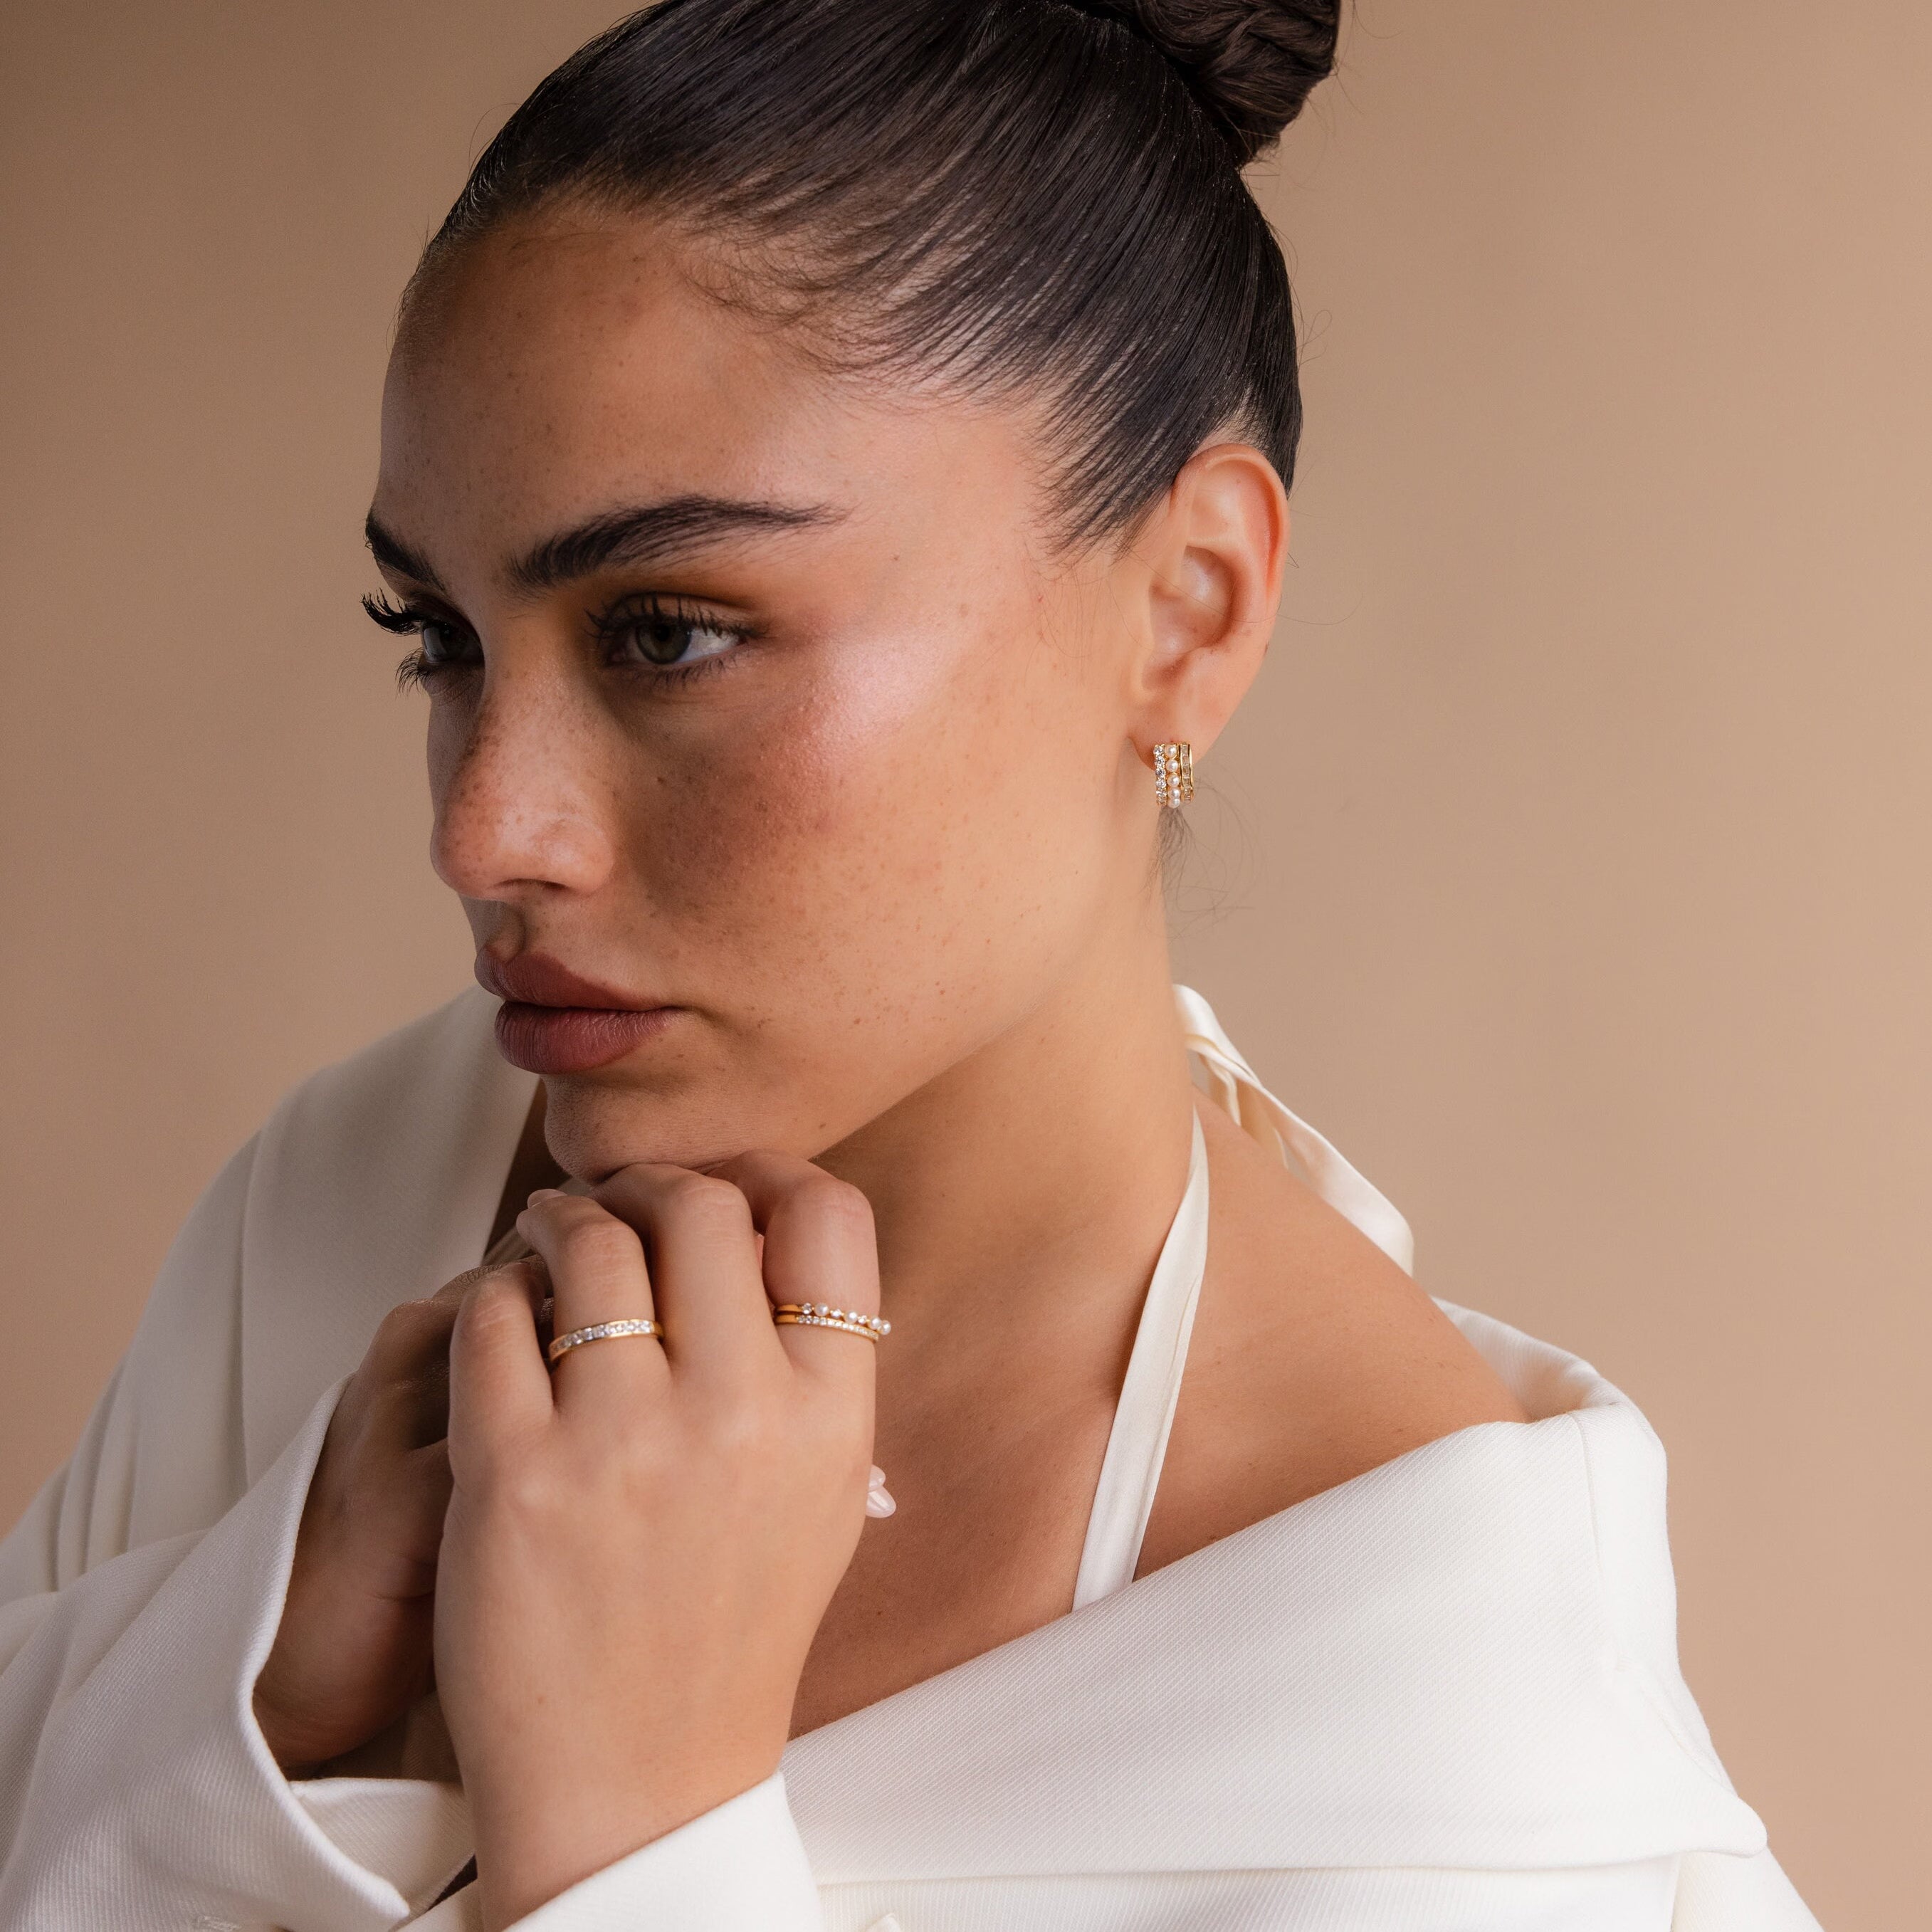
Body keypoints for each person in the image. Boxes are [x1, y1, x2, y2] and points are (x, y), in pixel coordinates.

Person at [0, 2, 1822, 1928]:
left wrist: (640, 1831)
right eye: (438, 638)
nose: (483, 831)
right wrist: (253, 1693)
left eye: (668, 633)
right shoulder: (355, 1193)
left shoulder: (1468, 1761)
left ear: (1183, 610)